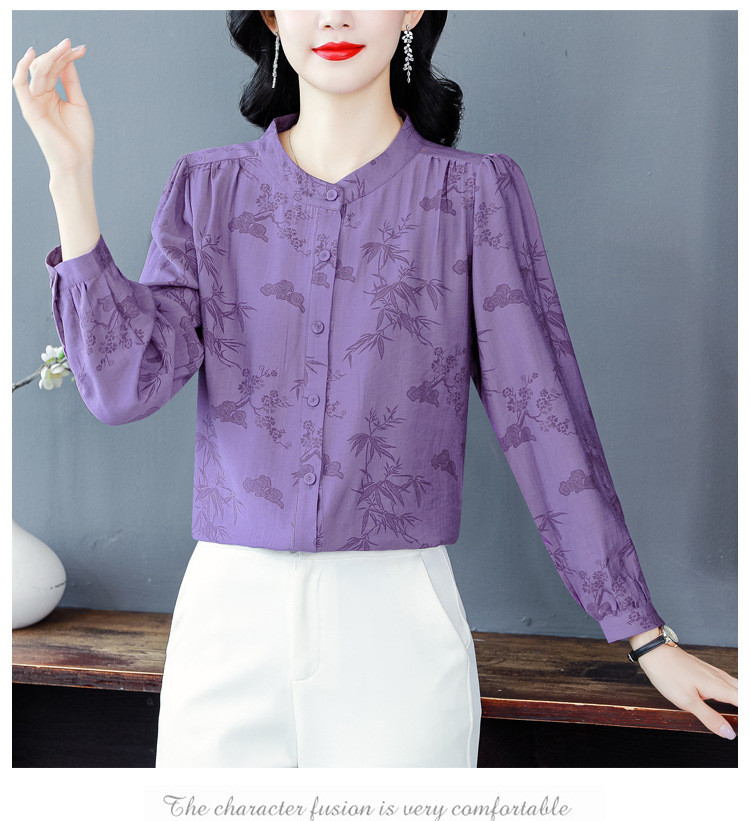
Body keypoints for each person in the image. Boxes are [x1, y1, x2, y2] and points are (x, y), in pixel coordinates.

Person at [12, 10, 738, 768]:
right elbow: (123, 387)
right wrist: (70, 178)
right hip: (227, 621)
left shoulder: (471, 195)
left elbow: (541, 414)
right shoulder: (209, 188)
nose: (335, 14)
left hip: (398, 634)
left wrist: (645, 634)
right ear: (270, 13)